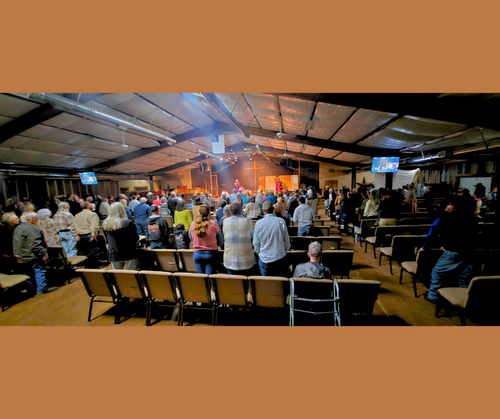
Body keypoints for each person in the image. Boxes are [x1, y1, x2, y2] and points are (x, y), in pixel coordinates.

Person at [420, 194, 478, 304]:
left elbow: (435, 230)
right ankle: (466, 300)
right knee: (463, 276)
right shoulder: (472, 217)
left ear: (456, 206)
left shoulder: (449, 217)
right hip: (470, 251)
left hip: (453, 250)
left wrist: (425, 247)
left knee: (437, 273)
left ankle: (433, 297)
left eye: (450, 204)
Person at [13, 211, 58, 295]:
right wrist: (43, 254)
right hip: (31, 255)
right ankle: (41, 289)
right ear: (28, 220)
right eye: (35, 219)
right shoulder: (31, 228)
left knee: (28, 273)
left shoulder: (18, 227)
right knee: (39, 270)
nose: (37, 220)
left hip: (21, 256)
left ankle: (31, 289)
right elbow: (35, 244)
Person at [253, 201, 290, 276]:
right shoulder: (280, 221)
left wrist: (260, 253)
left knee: (267, 282)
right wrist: (284, 251)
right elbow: (286, 241)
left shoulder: (259, 223)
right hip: (279, 257)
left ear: (263, 210)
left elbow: (256, 243)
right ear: (273, 209)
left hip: (264, 258)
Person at [103, 202, 139, 270]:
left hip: (113, 252)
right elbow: (135, 237)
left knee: (117, 274)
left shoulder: (105, 223)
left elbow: (107, 239)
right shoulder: (127, 222)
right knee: (132, 274)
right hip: (128, 251)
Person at [223, 203, 256, 275]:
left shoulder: (225, 221)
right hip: (245, 259)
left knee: (232, 281)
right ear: (241, 211)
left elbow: (224, 234)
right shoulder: (247, 221)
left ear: (230, 211)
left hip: (230, 258)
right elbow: (251, 235)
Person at [189, 205, 220, 274]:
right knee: (209, 278)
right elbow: (219, 237)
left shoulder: (193, 224)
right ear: (209, 214)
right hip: (210, 253)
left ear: (199, 213)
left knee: (201, 278)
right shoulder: (213, 224)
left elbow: (191, 238)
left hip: (197, 253)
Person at [71, 200, 100, 268]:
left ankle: (87, 270)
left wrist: (76, 236)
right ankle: (95, 271)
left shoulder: (77, 215)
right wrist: (93, 236)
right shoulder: (92, 214)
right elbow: (94, 227)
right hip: (89, 236)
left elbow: (72, 228)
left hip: (81, 237)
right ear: (88, 206)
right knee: (93, 256)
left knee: (85, 255)